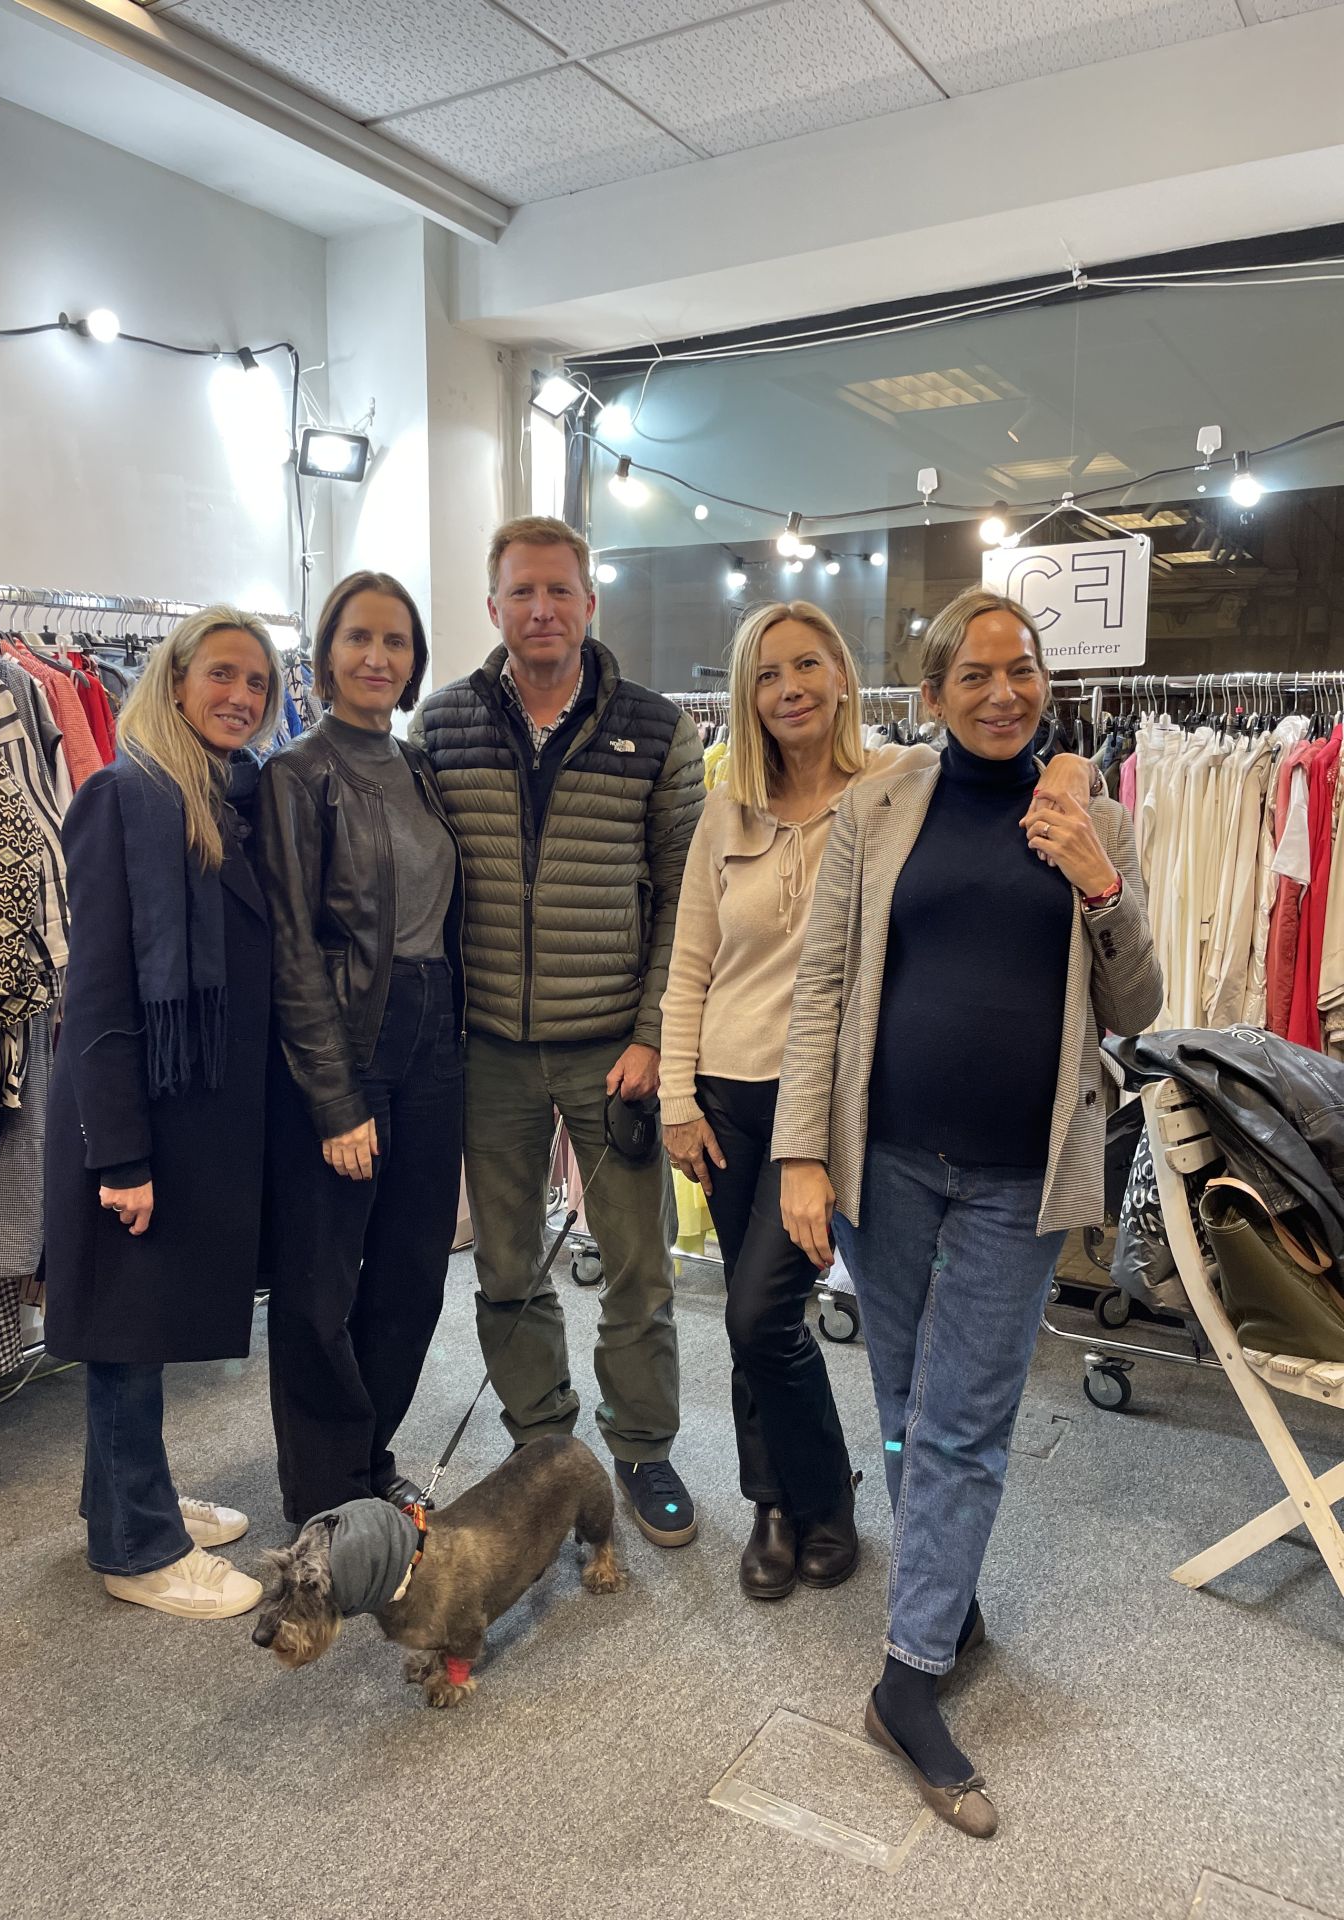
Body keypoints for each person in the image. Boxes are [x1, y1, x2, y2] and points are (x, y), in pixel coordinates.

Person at [773, 587, 1162, 1836]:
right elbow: (823, 984)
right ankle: (944, 1595)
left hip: (1017, 1177)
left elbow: (1142, 1006)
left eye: (1023, 669)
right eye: (976, 675)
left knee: (964, 1422)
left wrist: (1100, 884)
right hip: (883, 1158)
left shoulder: (1090, 812)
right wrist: (800, 1158)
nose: (1005, 692)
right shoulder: (881, 807)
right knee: (901, 1403)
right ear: (932, 696)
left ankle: (910, 1678)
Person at [659, 600, 1099, 1602]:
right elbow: (687, 966)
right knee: (746, 1311)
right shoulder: (724, 811)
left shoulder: (897, 785)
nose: (791, 689)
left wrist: (1074, 767)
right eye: (769, 675)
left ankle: (826, 1492)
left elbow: (1009, 768)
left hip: (833, 1103)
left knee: (763, 1311)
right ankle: (777, 1502)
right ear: (748, 695)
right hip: (729, 1093)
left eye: (809, 665)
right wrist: (678, 1096)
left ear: (848, 679)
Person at [411, 516, 704, 1547]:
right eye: (520, 592)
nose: (541, 609)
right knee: (507, 1267)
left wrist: (653, 1032)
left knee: (638, 1266)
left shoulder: (660, 730)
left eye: (559, 591)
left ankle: (642, 1448)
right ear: (493, 608)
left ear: (590, 604)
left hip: (613, 1049)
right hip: (487, 1046)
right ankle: (543, 1444)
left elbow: (687, 897)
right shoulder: (441, 728)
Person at [43, 607, 283, 1620]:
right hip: (133, 1113)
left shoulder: (231, 796)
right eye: (222, 675)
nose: (241, 697)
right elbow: (95, 993)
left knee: (141, 1322)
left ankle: (123, 1496)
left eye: (259, 685)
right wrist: (121, 1154)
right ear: (176, 679)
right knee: (127, 1325)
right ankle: (137, 1549)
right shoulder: (123, 796)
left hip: (196, 1114)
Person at [257, 570, 465, 1527]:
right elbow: (295, 946)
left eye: (397, 642)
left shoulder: (417, 765)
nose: (379, 658)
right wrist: (336, 1100)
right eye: (359, 639)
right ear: (326, 654)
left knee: (416, 1270)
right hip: (345, 1038)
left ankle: (369, 1452)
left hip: (434, 1037)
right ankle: (324, 1490)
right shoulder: (297, 773)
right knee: (321, 1283)